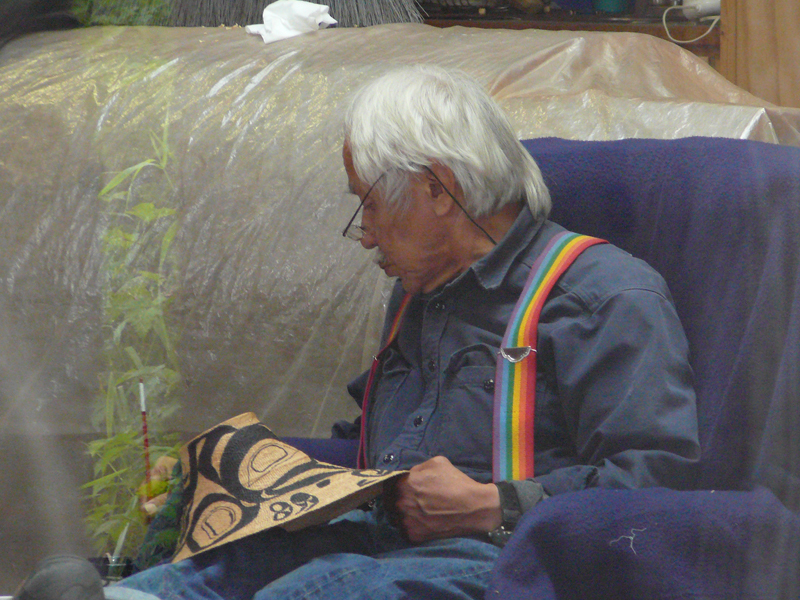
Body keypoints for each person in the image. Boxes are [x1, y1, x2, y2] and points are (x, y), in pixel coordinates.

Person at [16, 64, 699, 600]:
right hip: (376, 537)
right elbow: (369, 444)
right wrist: (238, 470)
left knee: (328, 590)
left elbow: (657, 485)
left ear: (439, 188)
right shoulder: (418, 295)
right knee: (224, 563)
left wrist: (493, 505)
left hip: (500, 560)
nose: (365, 235)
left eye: (369, 205)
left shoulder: (604, 295)